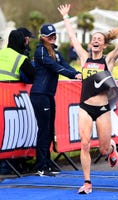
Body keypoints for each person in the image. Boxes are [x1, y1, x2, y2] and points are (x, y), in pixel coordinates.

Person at [58, 3, 118, 194]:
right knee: (85, 143)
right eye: (93, 38)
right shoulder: (84, 58)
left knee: (103, 150)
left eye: (99, 39)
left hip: (103, 109)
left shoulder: (108, 60)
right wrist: (66, 17)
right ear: (90, 44)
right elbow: (72, 37)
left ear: (103, 45)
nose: (95, 41)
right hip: (85, 108)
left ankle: (111, 148)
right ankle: (87, 182)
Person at [30, 23, 82, 177]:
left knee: (50, 130)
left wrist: (79, 73)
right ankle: (40, 165)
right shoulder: (40, 51)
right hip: (40, 94)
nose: (53, 38)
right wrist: (74, 75)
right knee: (44, 130)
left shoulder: (56, 51)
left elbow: (65, 65)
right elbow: (55, 68)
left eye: (54, 35)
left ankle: (46, 162)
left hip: (48, 95)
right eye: (49, 36)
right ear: (43, 37)